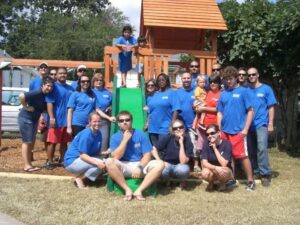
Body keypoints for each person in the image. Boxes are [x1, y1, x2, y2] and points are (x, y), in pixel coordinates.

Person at [105, 111, 164, 201]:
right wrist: (125, 140)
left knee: (160, 164)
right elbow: (116, 157)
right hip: (124, 165)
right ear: (118, 123)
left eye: (127, 120)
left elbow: (147, 155)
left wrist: (139, 167)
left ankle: (139, 190)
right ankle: (127, 189)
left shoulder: (140, 134)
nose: (124, 122)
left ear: (131, 121)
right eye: (121, 121)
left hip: (140, 165)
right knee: (109, 161)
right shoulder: (115, 137)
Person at [217, 66, 255, 191]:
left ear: (236, 78)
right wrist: (219, 128)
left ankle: (251, 181)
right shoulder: (223, 94)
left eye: (231, 79)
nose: (229, 81)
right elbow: (219, 112)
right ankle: (231, 179)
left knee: (243, 156)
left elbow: (250, 111)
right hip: (225, 131)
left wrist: (245, 129)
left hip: (238, 131)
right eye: (227, 79)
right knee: (229, 156)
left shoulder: (244, 91)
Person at [247, 67, 277, 187]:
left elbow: (271, 107)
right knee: (251, 150)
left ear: (258, 75)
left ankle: (265, 174)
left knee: (262, 148)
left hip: (261, 124)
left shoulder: (266, 89)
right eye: (249, 75)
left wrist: (270, 123)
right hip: (249, 125)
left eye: (253, 74)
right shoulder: (246, 90)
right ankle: (255, 171)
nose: (251, 76)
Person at [18, 77, 54, 172]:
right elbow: (21, 96)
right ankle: (27, 165)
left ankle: (29, 164)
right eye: (48, 86)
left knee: (31, 141)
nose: (49, 88)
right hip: (26, 119)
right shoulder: (37, 92)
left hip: (34, 120)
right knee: (27, 141)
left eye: (51, 86)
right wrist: (25, 106)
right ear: (42, 85)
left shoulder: (45, 95)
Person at [64, 112, 106, 189]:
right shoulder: (86, 134)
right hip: (72, 161)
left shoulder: (99, 133)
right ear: (89, 122)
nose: (97, 123)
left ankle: (82, 178)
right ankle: (80, 178)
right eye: (94, 121)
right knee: (101, 164)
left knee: (105, 162)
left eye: (99, 121)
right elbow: (82, 155)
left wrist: (105, 152)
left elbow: (94, 152)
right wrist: (97, 162)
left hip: (81, 160)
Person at [45, 67, 74, 170]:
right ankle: (49, 161)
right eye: (60, 73)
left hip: (67, 122)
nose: (62, 75)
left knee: (64, 143)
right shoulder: (53, 87)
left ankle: (62, 160)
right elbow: (49, 103)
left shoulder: (71, 89)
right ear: (56, 75)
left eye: (64, 73)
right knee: (52, 142)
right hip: (55, 121)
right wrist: (51, 117)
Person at [151, 120, 193, 187]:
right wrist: (159, 161)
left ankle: (181, 180)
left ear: (184, 128)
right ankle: (168, 181)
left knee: (184, 169)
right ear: (172, 130)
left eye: (180, 127)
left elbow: (183, 162)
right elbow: (153, 149)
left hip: (180, 165)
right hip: (167, 164)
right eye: (175, 128)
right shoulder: (168, 137)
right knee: (162, 169)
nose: (178, 129)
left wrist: (181, 143)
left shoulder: (188, 140)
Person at [146, 73, 181, 146]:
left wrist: (172, 125)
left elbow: (176, 110)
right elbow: (150, 112)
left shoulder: (172, 93)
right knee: (155, 150)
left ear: (167, 81)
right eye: (159, 80)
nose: (161, 82)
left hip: (165, 126)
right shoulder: (154, 95)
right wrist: (147, 123)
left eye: (163, 80)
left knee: (163, 150)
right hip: (152, 127)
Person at [176, 72, 200, 172]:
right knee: (181, 144)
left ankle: (195, 165)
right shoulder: (177, 92)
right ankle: (182, 164)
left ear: (191, 79)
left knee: (194, 145)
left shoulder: (197, 91)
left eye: (188, 78)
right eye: (184, 78)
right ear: (182, 80)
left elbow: (202, 103)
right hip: (180, 124)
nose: (186, 80)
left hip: (193, 124)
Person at [201, 125, 233, 192]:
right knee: (204, 173)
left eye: (212, 133)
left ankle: (222, 184)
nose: (209, 136)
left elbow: (224, 164)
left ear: (218, 132)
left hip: (224, 169)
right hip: (212, 169)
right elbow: (204, 163)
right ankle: (211, 183)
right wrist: (215, 168)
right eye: (207, 134)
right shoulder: (206, 143)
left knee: (224, 171)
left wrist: (215, 148)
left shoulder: (227, 144)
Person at [91, 73, 114, 151]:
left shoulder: (107, 92)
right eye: (96, 80)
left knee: (104, 139)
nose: (99, 82)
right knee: (91, 138)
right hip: (92, 119)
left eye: (100, 80)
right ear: (93, 81)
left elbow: (113, 103)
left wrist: (110, 107)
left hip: (104, 120)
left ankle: (102, 157)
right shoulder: (90, 92)